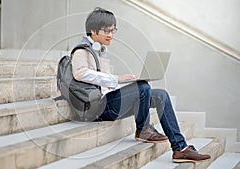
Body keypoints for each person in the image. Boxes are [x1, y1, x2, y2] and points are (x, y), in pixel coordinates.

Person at [71, 7, 211, 163]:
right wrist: (117, 79)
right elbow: (80, 73)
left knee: (160, 95)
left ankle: (180, 149)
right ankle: (143, 129)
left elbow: (104, 85)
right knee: (142, 87)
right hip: (98, 108)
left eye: (113, 30)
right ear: (93, 30)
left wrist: (127, 83)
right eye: (106, 31)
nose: (111, 35)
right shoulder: (81, 51)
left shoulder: (99, 51)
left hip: (108, 101)